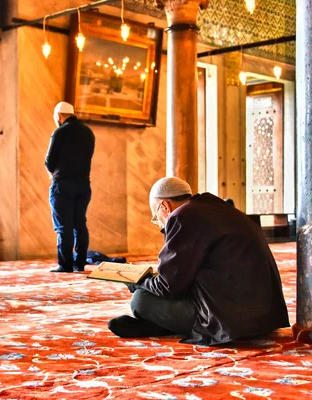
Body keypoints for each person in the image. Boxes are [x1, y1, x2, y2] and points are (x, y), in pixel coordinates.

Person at [108, 177, 289, 345]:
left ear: (164, 206)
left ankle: (158, 327)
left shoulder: (182, 216)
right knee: (153, 292)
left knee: (141, 300)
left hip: (230, 320)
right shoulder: (219, 208)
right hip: (265, 317)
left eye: (156, 217)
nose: (160, 223)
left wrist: (135, 280)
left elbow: (168, 287)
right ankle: (161, 326)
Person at [45, 101, 95, 273]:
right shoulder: (88, 133)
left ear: (59, 116)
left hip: (63, 185)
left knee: (63, 226)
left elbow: (49, 161)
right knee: (80, 224)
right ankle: (80, 263)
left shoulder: (59, 132)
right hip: (83, 185)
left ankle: (65, 264)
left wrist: (54, 172)